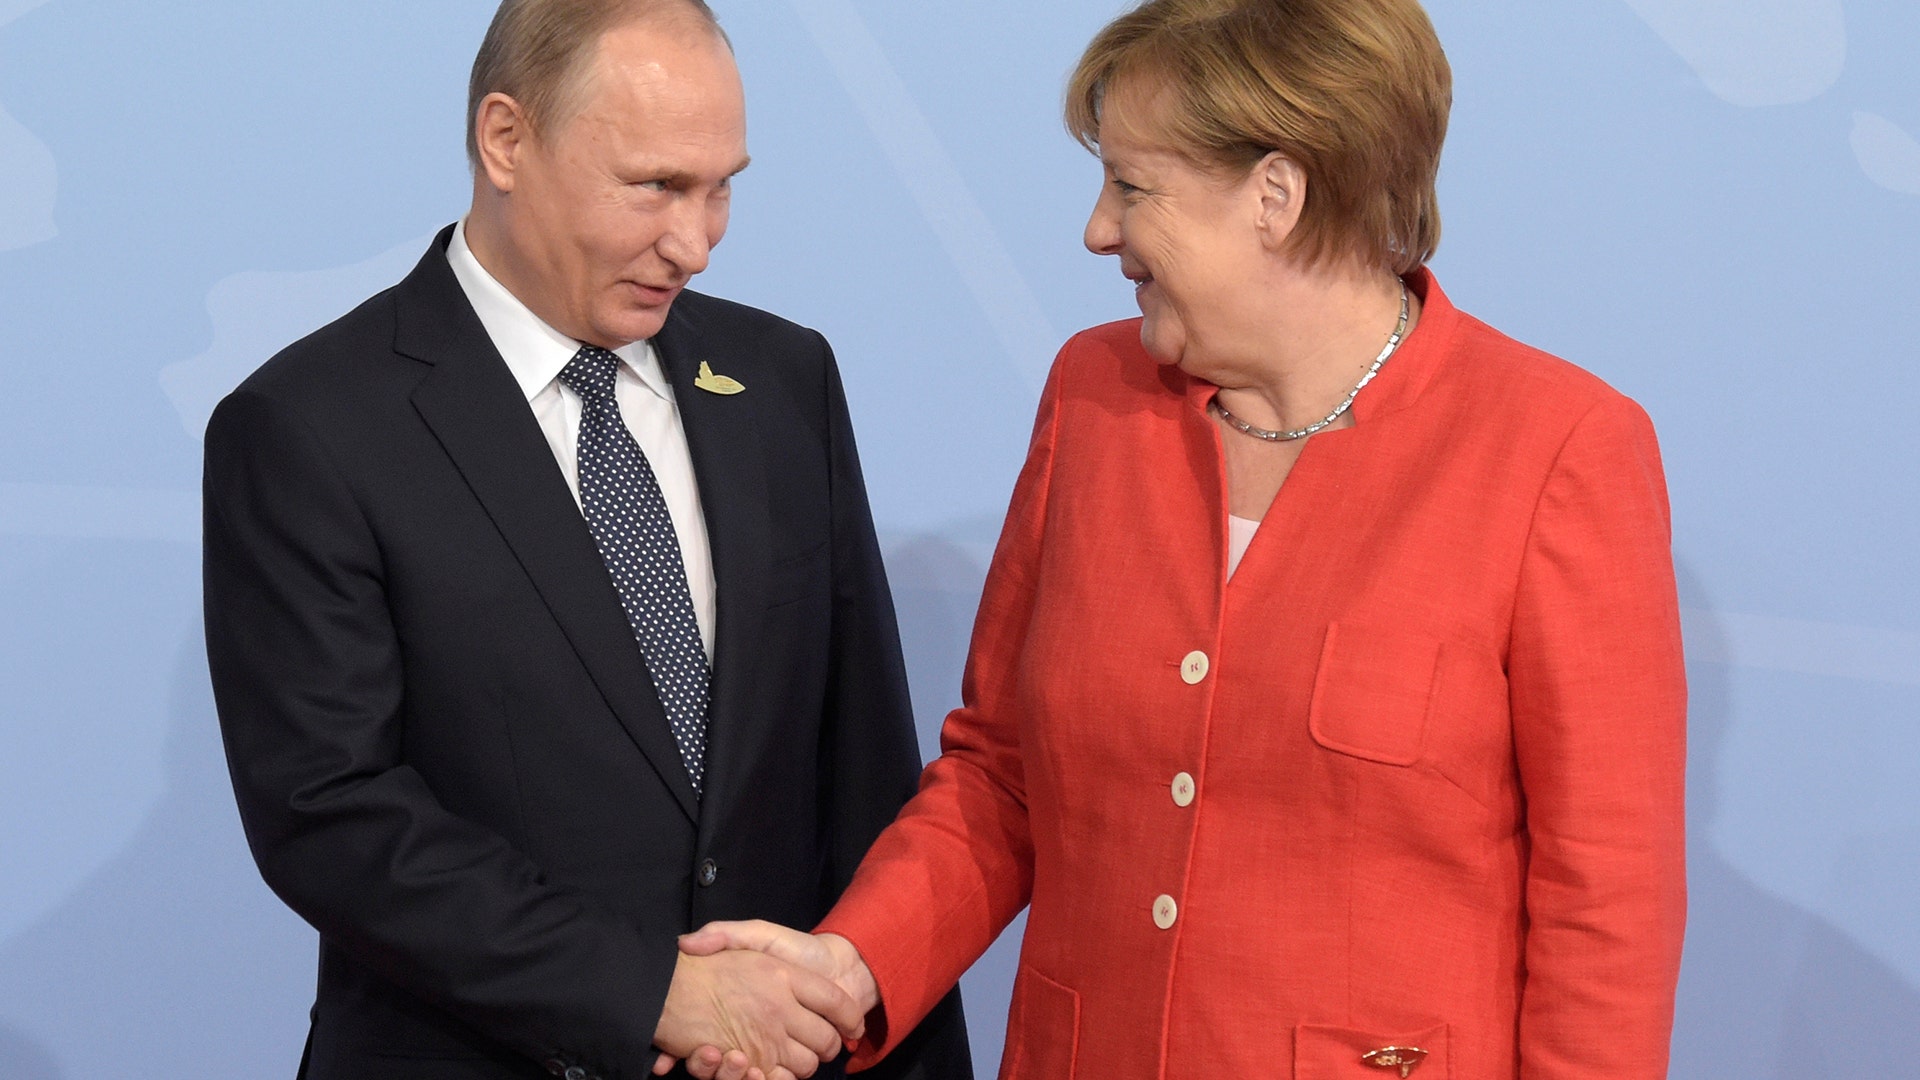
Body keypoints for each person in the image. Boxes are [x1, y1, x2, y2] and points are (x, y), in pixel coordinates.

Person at [677, 0, 1689, 1077]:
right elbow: (1003, 777)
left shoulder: (1557, 449)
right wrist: (846, 969)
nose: (1097, 230)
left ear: (1276, 195)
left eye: (1132, 186)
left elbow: (1606, 907)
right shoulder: (1092, 395)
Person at [200, 2, 970, 1078]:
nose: (694, 243)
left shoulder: (784, 380)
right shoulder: (311, 426)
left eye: (722, 186)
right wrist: (656, 991)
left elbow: (864, 776)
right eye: (655, 185)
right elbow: (331, 815)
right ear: (506, 140)